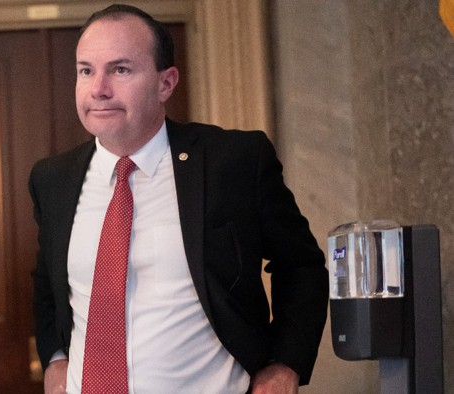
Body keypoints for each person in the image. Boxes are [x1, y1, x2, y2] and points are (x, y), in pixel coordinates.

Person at [29, 4, 328, 393]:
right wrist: (55, 358)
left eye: (120, 70)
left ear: (166, 83)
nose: (98, 89)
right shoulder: (53, 179)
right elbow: (48, 282)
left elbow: (301, 266)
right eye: (86, 70)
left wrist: (285, 364)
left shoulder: (233, 162)